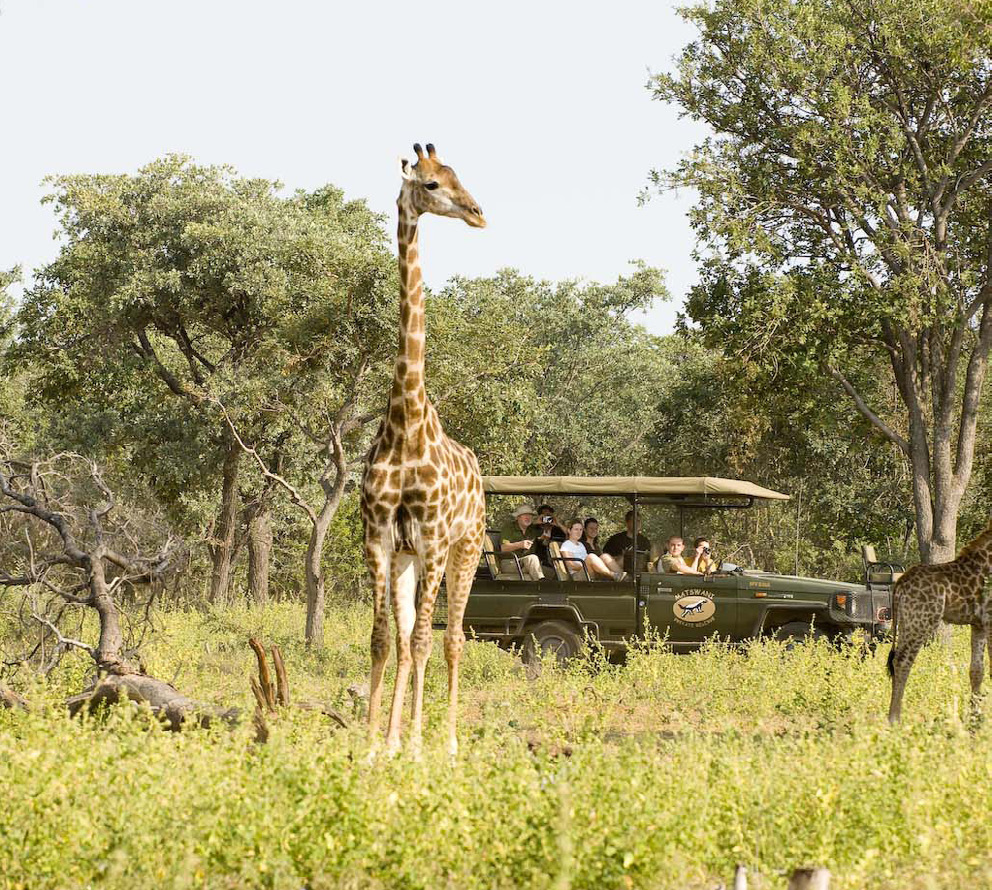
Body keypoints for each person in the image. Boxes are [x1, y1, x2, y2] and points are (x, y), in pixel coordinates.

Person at [559, 519, 627, 581]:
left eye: (580, 530)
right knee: (591, 556)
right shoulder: (566, 544)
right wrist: (586, 565)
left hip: (588, 570)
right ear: (569, 530)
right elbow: (570, 564)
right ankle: (613, 575)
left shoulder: (580, 545)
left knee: (605, 556)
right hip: (577, 575)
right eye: (576, 529)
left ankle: (623, 576)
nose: (579, 532)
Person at [498, 503, 543, 581]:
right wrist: (519, 544)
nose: (528, 517)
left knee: (551, 572)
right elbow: (504, 548)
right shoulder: (509, 528)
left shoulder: (532, 529)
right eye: (524, 515)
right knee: (532, 558)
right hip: (510, 563)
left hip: (526, 564)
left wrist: (553, 523)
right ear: (518, 517)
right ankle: (541, 585)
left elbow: (545, 537)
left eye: (530, 515)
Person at [602, 509, 653, 574]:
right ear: (627, 522)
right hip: (620, 572)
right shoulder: (616, 539)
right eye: (634, 520)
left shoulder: (645, 541)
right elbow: (606, 558)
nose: (637, 523)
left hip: (639, 572)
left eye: (638, 521)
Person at [531, 503, 568, 571]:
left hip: (555, 561)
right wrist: (538, 521)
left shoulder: (557, 530)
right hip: (539, 560)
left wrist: (558, 523)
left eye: (549, 516)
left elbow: (569, 535)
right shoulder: (536, 529)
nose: (547, 519)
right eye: (545, 516)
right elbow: (528, 531)